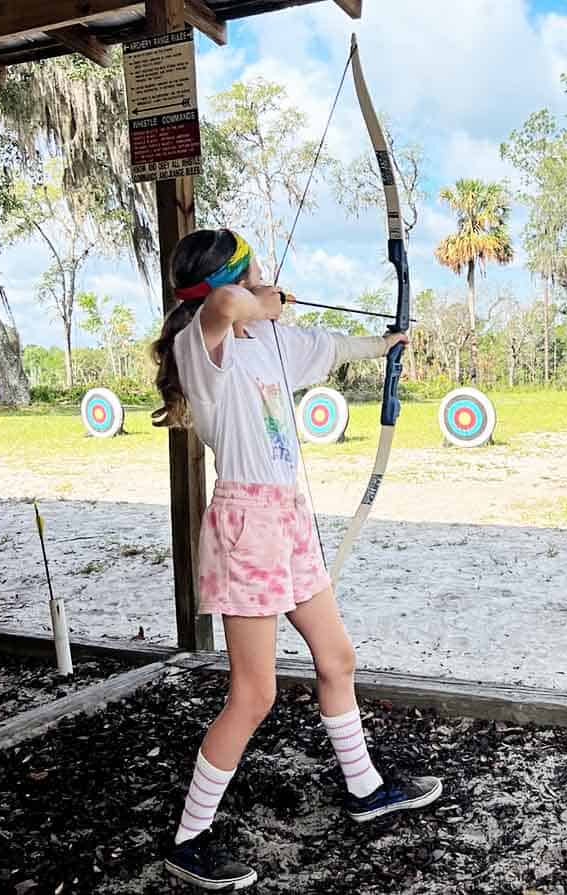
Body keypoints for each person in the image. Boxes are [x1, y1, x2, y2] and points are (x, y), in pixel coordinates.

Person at [150, 228, 441, 890]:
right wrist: (261, 299)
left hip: (288, 519)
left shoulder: (273, 339)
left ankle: (365, 788)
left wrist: (388, 342)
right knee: (254, 693)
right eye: (252, 269)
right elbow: (224, 307)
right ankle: (188, 840)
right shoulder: (203, 344)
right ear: (231, 279)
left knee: (336, 658)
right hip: (246, 525)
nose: (263, 277)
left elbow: (333, 347)